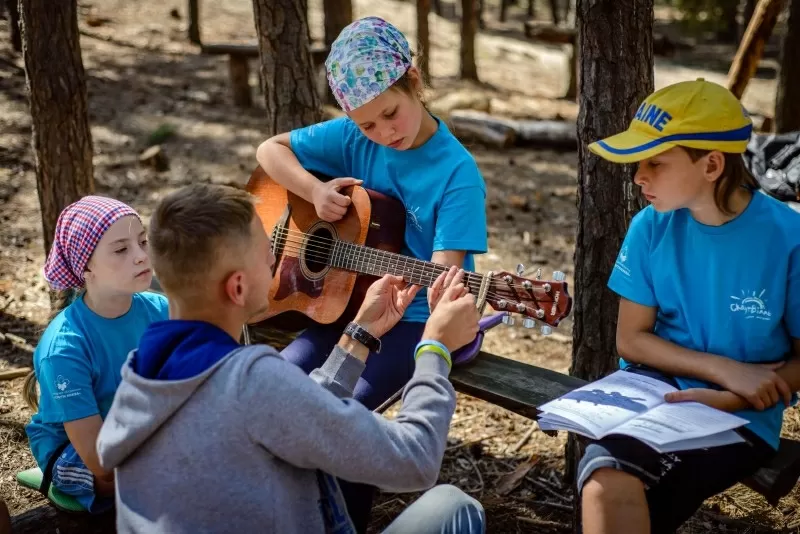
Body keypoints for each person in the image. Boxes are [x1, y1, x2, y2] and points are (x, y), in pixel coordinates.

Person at [96, 183, 486, 534]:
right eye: (267, 250)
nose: (275, 257)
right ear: (238, 286)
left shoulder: (143, 373)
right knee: (454, 506)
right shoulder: (254, 382)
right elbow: (415, 459)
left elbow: (284, 410)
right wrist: (435, 347)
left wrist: (359, 334)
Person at [576, 79, 800, 534]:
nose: (639, 176)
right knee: (603, 478)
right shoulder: (649, 227)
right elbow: (631, 339)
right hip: (649, 394)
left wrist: (736, 393)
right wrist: (723, 369)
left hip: (740, 415)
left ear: (712, 165)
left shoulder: (786, 239)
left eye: (655, 162)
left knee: (646, 496)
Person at [256, 16, 489, 412]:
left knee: (340, 414)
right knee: (271, 387)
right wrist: (313, 190)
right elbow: (269, 150)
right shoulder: (351, 137)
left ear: (413, 80)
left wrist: (442, 300)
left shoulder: (458, 174)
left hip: (410, 320)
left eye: (390, 114)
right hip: (342, 306)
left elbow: (444, 282)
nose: (384, 133)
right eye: (367, 124)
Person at [22, 196, 169, 514]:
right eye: (121, 249)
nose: (142, 256)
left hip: (147, 430)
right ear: (85, 265)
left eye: (142, 242)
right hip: (77, 449)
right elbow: (99, 459)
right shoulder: (64, 347)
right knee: (121, 479)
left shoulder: (163, 310)